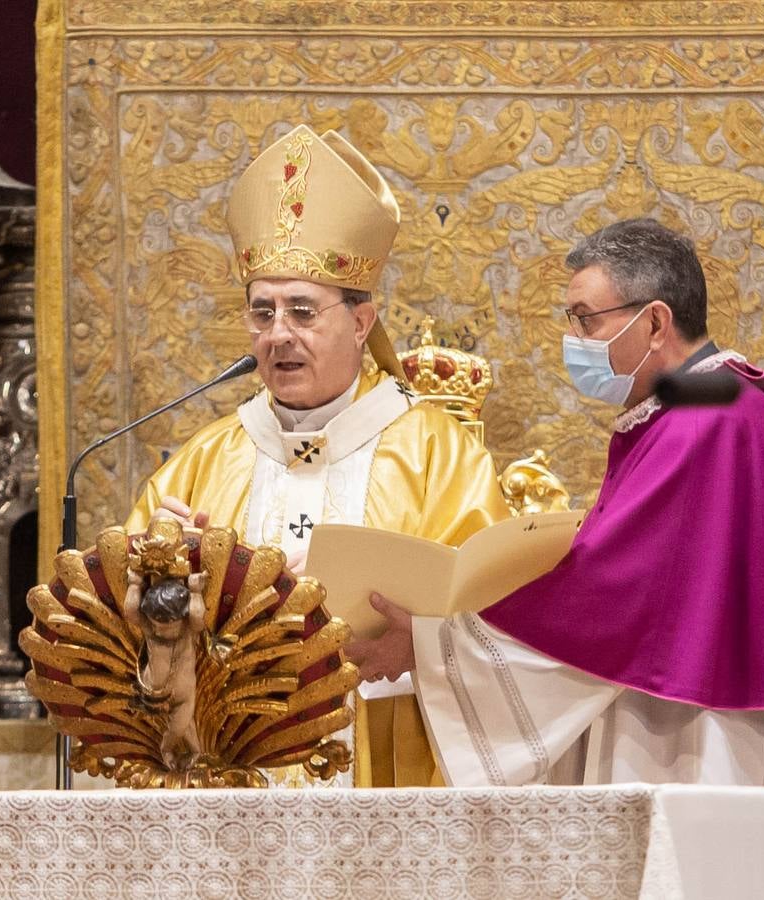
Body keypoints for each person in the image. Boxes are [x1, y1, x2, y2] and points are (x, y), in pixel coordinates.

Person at [346, 217, 764, 897]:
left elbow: (611, 590)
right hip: (691, 708)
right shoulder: (705, 410)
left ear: (653, 322)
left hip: (693, 736)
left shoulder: (706, 423)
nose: (574, 341)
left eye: (586, 319)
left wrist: (435, 644)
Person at [126, 124, 510, 786]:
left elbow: (494, 613)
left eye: (302, 312)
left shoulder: (437, 457)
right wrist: (169, 589)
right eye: (262, 313)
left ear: (360, 323)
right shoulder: (204, 459)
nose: (278, 335)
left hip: (389, 763)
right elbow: (130, 617)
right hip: (231, 771)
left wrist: (414, 640)